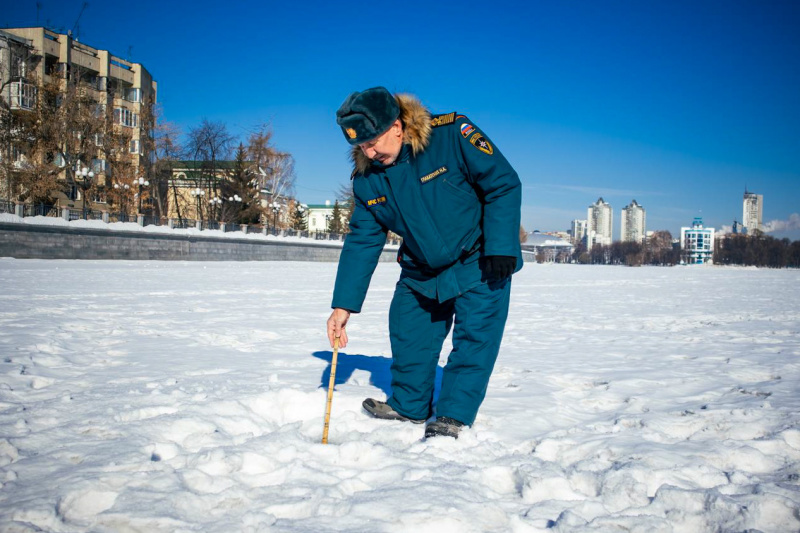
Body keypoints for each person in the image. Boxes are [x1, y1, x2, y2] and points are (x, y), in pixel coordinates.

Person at [326, 86, 522, 439]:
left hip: (478, 261)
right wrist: (343, 306)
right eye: (361, 146)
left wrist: (501, 246)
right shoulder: (367, 181)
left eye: (373, 141)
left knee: (474, 340)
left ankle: (452, 416)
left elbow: (502, 184)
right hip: (420, 271)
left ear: (397, 126)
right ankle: (409, 405)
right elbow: (362, 241)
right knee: (408, 333)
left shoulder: (450, 136)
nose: (368, 151)